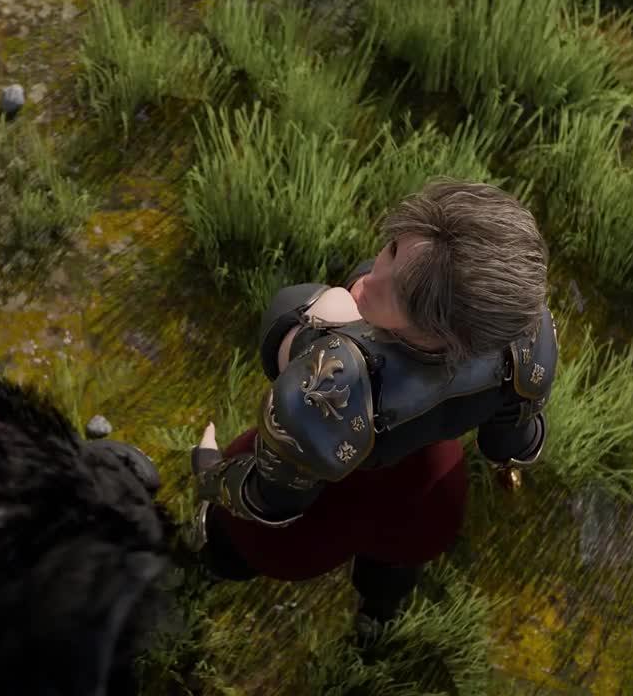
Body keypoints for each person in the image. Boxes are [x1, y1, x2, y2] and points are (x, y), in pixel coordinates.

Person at [188, 179, 557, 642]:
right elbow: (512, 443)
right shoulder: (526, 339)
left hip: (322, 509)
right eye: (393, 248)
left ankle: (204, 569)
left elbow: (271, 499)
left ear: (447, 332)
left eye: (403, 296)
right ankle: (376, 620)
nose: (371, 278)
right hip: (425, 497)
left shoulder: (328, 381)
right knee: (397, 566)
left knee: (231, 546)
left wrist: (208, 470)